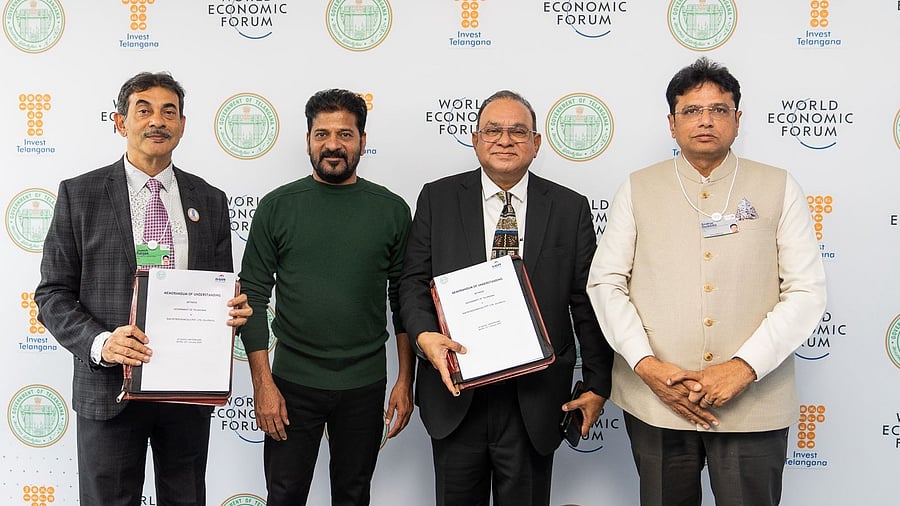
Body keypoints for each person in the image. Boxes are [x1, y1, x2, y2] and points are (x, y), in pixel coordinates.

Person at [587, 57, 827, 505]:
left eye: (719, 109)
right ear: (672, 123)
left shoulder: (779, 186)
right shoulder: (638, 187)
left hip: (753, 403)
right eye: (692, 111)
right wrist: (646, 365)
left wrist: (743, 368)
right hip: (659, 398)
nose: (705, 120)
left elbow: (806, 290)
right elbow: (606, 284)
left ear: (738, 119)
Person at [35, 71, 251, 505]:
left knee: (187, 497)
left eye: (169, 111)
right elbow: (52, 295)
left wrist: (233, 316)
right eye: (144, 110)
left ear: (182, 125)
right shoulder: (81, 194)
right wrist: (101, 342)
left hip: (187, 390)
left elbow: (220, 289)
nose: (157, 121)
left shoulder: (209, 199)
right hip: (108, 388)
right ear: (120, 122)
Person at [399, 90, 613, 506]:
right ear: (476, 139)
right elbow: (412, 283)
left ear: (536, 143)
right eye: (493, 130)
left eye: (518, 131)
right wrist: (425, 338)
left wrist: (598, 383)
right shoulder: (437, 199)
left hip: (536, 400)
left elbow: (588, 304)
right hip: (456, 394)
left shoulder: (570, 209)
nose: (505, 139)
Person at [239, 88, 414, 506]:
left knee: (353, 496)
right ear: (307, 140)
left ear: (362, 141)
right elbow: (252, 297)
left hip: (365, 384)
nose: (332, 145)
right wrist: (263, 384)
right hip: (291, 383)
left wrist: (407, 381)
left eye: (344, 134)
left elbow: (404, 300)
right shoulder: (277, 207)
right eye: (322, 134)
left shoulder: (391, 210)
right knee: (284, 495)